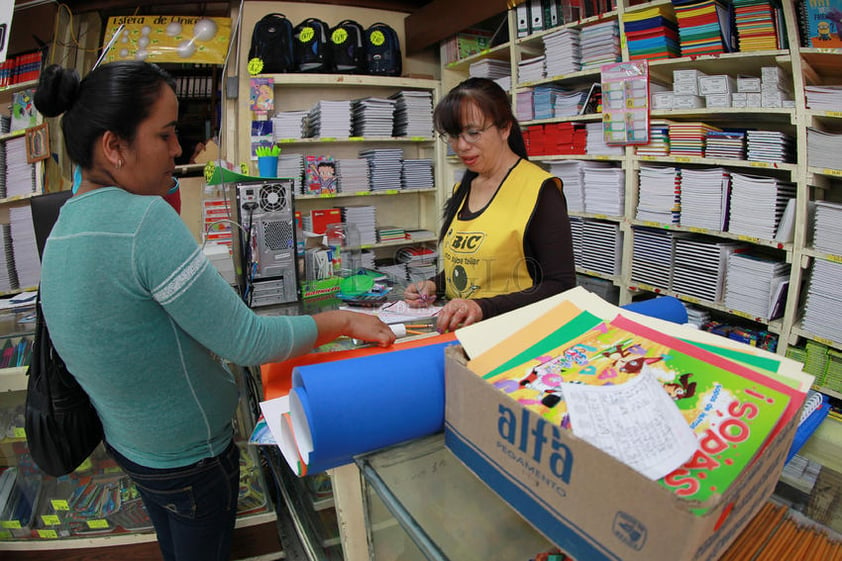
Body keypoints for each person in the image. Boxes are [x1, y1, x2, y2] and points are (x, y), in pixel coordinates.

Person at [33, 61, 395, 561]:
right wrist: (346, 320)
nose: (178, 149)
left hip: (133, 449)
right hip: (192, 461)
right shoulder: (143, 219)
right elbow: (246, 341)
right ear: (114, 147)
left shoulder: (65, 223)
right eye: (164, 135)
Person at [404, 77, 576, 332]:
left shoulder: (540, 190)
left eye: (473, 133)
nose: (461, 146)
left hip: (516, 334)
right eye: (454, 135)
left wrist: (483, 307)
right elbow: (474, 270)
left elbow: (561, 285)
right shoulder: (463, 189)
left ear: (505, 128)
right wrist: (434, 285)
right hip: (462, 331)